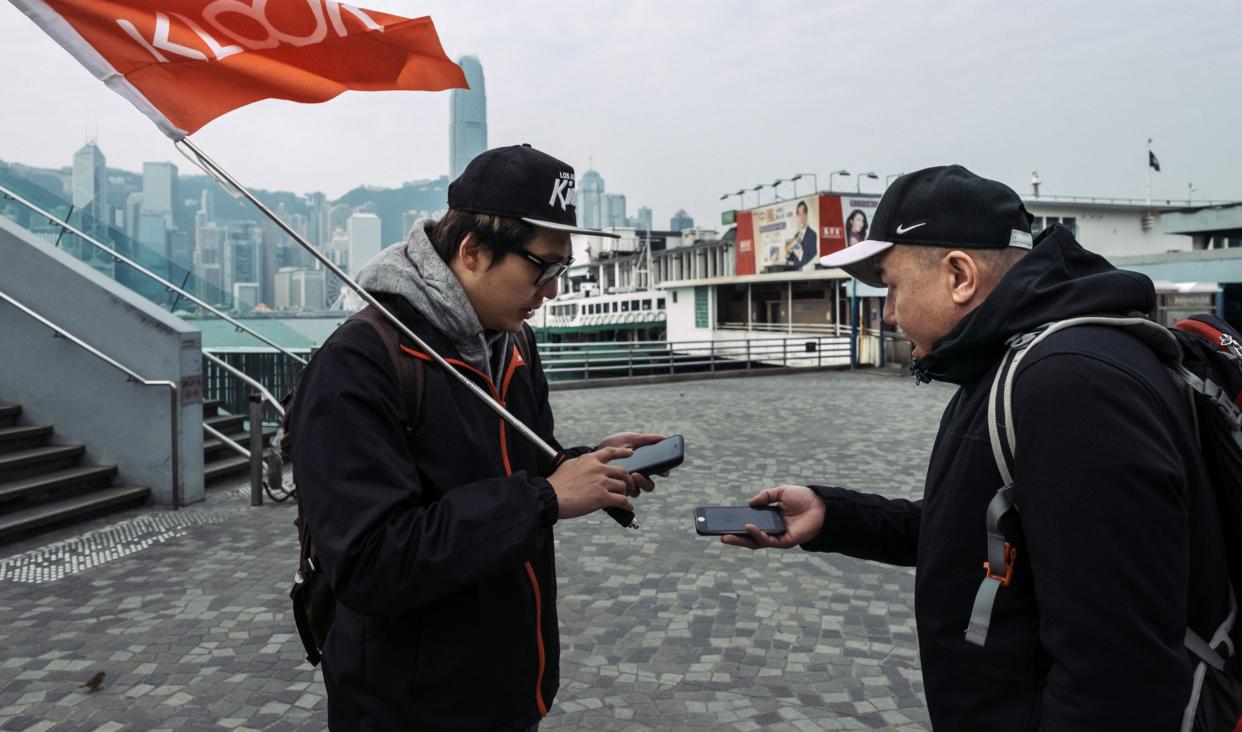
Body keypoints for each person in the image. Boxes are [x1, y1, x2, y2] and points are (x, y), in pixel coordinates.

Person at [724, 165, 1236, 729]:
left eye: (892, 286)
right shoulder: (1011, 363)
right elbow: (989, 535)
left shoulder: (1068, 385)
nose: (888, 313)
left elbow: (1115, 675)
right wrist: (835, 516)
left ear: (960, 276)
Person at [291, 144, 666, 731]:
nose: (553, 291)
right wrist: (545, 498)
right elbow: (370, 563)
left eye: (562, 269)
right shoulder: (360, 363)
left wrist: (581, 467)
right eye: (542, 267)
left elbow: (513, 471)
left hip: (510, 691)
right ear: (472, 252)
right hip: (407, 709)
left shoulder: (513, 343)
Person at [785, 199, 818, 268]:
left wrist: (800, 254)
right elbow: (792, 258)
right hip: (796, 272)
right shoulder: (796, 236)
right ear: (797, 216)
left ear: (807, 215)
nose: (802, 218)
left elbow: (813, 258)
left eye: (804, 214)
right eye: (799, 215)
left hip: (807, 272)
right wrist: (788, 253)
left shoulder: (812, 235)